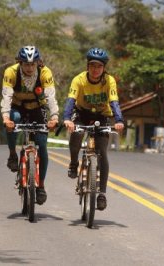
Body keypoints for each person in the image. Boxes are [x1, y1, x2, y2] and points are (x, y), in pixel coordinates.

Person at [63, 47, 124, 211]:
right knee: (76, 133)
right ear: (87, 66)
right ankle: (74, 163)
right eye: (92, 65)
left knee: (102, 152)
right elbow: (70, 100)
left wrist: (118, 120)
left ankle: (102, 193)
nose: (95, 69)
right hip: (81, 112)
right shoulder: (79, 79)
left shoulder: (109, 81)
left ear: (104, 68)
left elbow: (114, 101)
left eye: (99, 66)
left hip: (102, 115)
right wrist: (67, 119)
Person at [0, 45, 59, 205]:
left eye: (33, 64)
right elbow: (6, 97)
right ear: (20, 63)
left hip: (37, 108)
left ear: (38, 63)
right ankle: (12, 154)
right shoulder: (11, 72)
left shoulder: (45, 73)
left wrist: (54, 117)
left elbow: (51, 97)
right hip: (17, 106)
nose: (29, 67)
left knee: (42, 144)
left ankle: (40, 186)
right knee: (15, 118)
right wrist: (6, 119)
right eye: (26, 64)